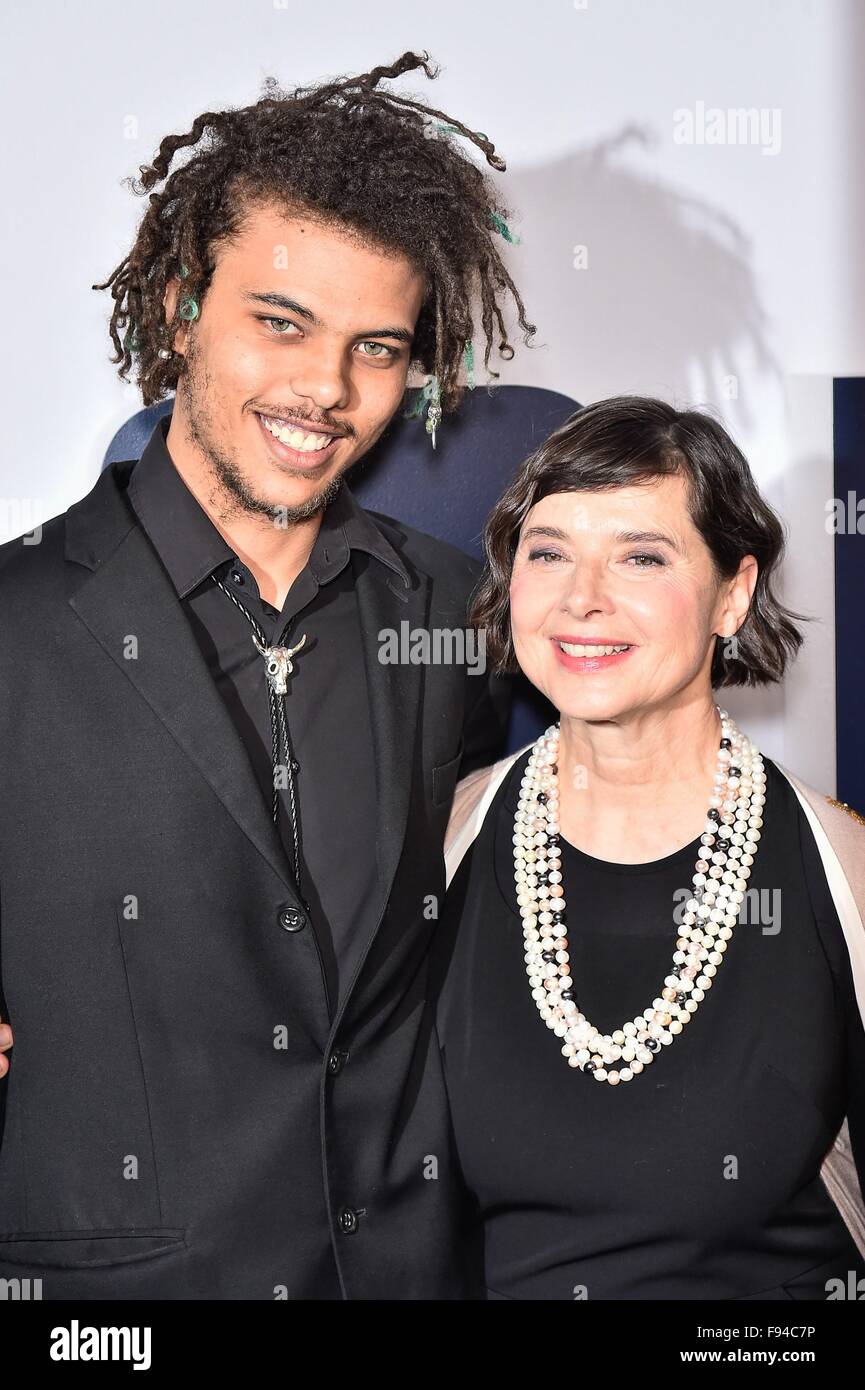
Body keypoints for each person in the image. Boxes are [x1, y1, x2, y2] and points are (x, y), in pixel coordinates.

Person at [0, 52, 536, 1299]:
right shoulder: (13, 623)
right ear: (183, 304)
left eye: (377, 347)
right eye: (280, 323)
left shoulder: (457, 610)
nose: (325, 391)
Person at [433, 396, 865, 1300]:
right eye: (547, 553)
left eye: (640, 556)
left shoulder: (844, 872)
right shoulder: (439, 844)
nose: (581, 598)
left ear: (732, 594)